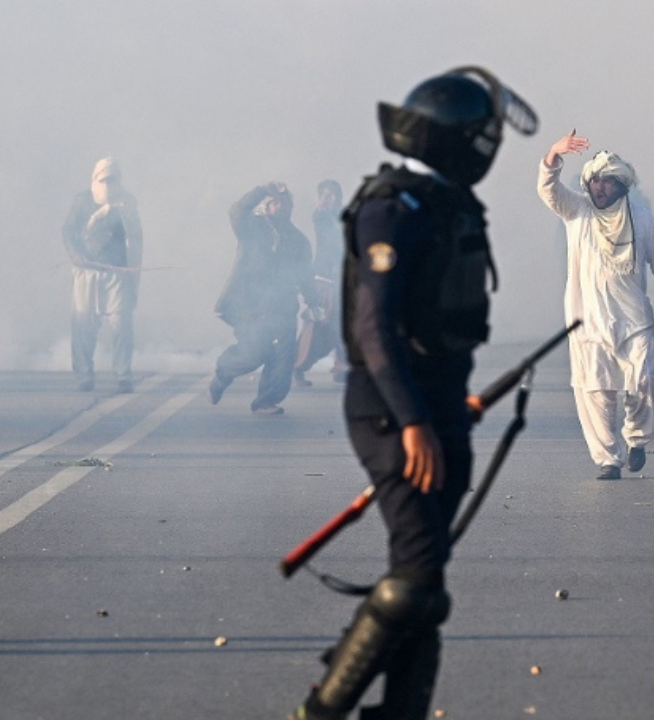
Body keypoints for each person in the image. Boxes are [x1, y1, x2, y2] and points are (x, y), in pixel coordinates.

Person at [287, 66, 537, 720]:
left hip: (439, 407)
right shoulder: (392, 206)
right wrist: (413, 423)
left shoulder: (446, 202)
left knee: (424, 586)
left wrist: (448, 411)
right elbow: (373, 327)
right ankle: (319, 711)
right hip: (389, 410)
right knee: (416, 581)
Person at [537, 134, 654, 480]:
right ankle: (608, 459)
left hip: (634, 319)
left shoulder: (642, 219)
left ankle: (637, 439)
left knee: (645, 382)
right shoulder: (577, 211)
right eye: (594, 180)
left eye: (607, 181)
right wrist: (553, 155)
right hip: (588, 322)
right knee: (596, 392)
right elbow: (549, 191)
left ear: (622, 185)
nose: (600, 187)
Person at [209, 182, 316, 413]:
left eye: (285, 203)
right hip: (251, 305)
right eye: (275, 202)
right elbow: (236, 211)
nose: (280, 207)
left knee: (283, 357)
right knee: (253, 354)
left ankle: (266, 400)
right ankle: (224, 373)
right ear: (266, 206)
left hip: (284, 306)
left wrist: (314, 302)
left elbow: (306, 274)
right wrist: (262, 190)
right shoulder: (251, 226)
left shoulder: (298, 240)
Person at [62, 157, 143, 393]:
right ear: (95, 179)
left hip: (115, 272)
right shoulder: (82, 201)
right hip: (86, 272)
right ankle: (84, 375)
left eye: (112, 179)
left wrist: (131, 267)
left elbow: (135, 237)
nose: (108, 185)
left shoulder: (128, 202)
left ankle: (123, 374)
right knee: (83, 325)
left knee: (121, 324)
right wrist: (75, 254)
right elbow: (68, 231)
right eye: (104, 180)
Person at [293, 179, 349, 386]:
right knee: (315, 325)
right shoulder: (321, 216)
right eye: (327, 194)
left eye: (335, 194)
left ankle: (342, 367)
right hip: (324, 280)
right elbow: (318, 216)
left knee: (343, 325)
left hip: (342, 279)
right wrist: (323, 203)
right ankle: (297, 366)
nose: (332, 198)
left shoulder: (343, 216)